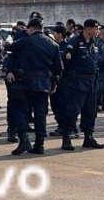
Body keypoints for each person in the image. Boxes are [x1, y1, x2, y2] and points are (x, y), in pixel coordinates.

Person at [4, 17, 62, 155]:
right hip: (43, 84)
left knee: (20, 111)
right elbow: (58, 68)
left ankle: (24, 140)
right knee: (40, 114)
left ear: (30, 29)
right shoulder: (53, 44)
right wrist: (54, 83)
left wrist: (9, 41)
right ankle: (39, 144)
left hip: (24, 83)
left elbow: (9, 48)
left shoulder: (25, 41)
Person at [58, 19, 104, 150]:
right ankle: (66, 138)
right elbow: (65, 64)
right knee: (72, 111)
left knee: (90, 112)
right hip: (77, 82)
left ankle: (88, 137)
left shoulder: (94, 43)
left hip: (92, 82)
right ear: (88, 29)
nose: (98, 31)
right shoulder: (74, 43)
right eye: (95, 29)